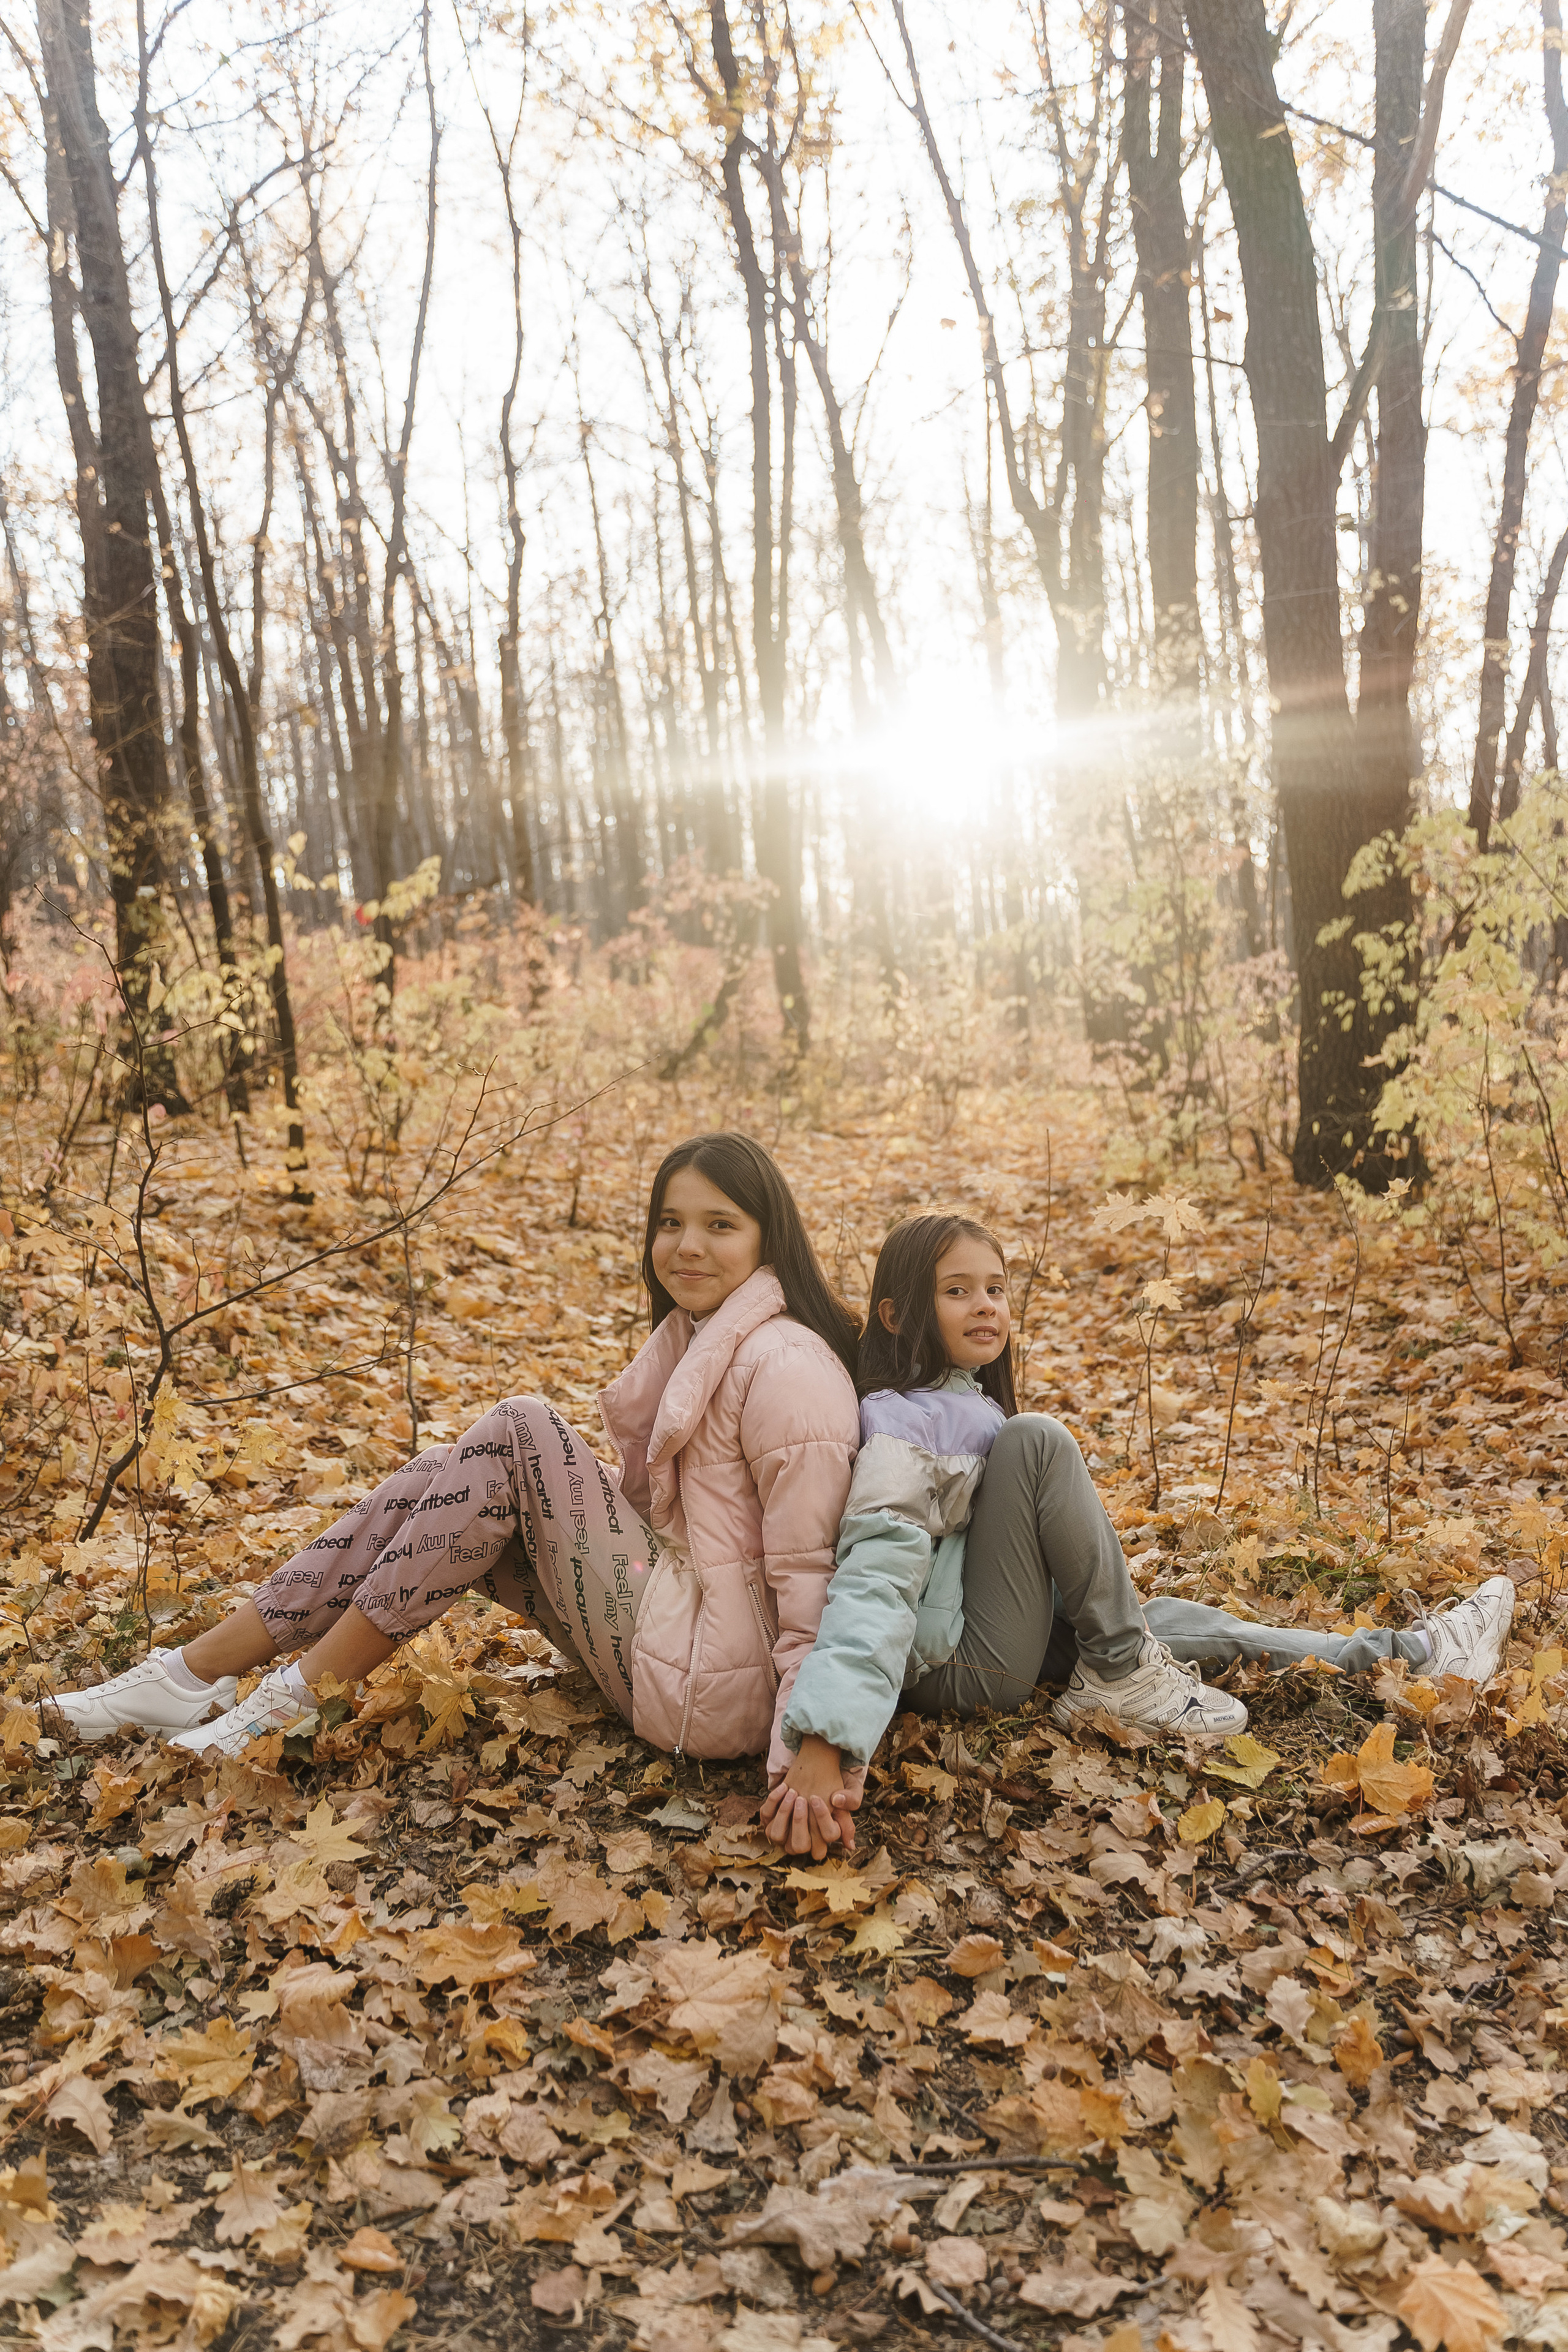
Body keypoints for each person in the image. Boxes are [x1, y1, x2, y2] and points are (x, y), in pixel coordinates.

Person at [50, 1133, 864, 1790]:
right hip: (683, 1640)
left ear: (767, 1239)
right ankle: (190, 1674)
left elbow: (815, 1578)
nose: (686, 1246)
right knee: (451, 1471)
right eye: (670, 1222)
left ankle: (287, 1702)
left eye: (720, 1225)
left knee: (518, 1429)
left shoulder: (787, 1366)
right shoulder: (706, 1338)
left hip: (719, 1689)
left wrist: (809, 1753)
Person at [760, 1212, 1516, 1860]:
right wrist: (828, 1740)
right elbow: (876, 1579)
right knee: (1038, 1441)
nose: (984, 1305)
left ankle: (1412, 1652)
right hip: (960, 1666)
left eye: (995, 1288)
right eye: (955, 1291)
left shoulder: (957, 1405)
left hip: (987, 1633)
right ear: (895, 1316)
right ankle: (1121, 1670)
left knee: (1180, 1618)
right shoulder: (906, 1423)